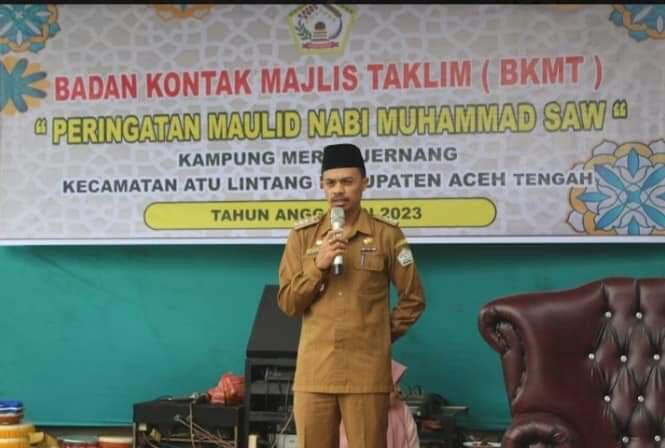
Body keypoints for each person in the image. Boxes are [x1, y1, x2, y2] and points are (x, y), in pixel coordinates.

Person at [277, 142, 426, 448]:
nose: (338, 190)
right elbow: (289, 303)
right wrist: (318, 266)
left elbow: (413, 299)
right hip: (315, 371)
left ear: (364, 183)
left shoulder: (387, 235)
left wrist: (378, 335)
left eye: (347, 181)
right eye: (331, 183)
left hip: (366, 373)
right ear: (322, 186)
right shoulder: (303, 236)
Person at [340, 359, 420, 448]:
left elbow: (413, 444)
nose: (399, 390)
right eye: (394, 383)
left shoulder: (403, 411)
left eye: (398, 383)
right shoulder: (347, 414)